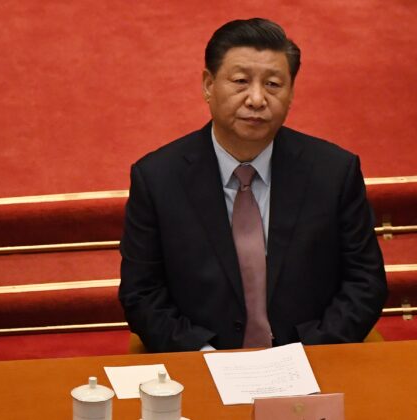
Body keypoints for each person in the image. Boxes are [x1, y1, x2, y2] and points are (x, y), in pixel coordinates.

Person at [119, 18, 387, 352]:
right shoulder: (158, 178)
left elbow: (366, 282)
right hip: (202, 363)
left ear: (291, 93)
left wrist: (312, 352)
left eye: (274, 84)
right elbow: (141, 293)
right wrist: (201, 353)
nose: (257, 99)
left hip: (311, 360)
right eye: (241, 81)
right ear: (208, 84)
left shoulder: (334, 172)